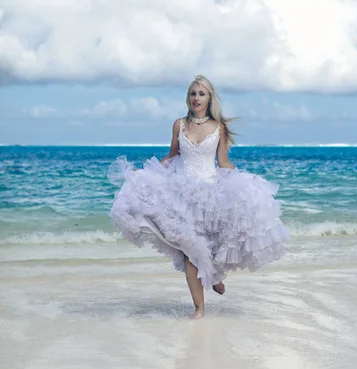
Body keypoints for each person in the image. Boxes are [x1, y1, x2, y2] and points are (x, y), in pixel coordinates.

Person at [108, 75, 288, 318]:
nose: (196, 98)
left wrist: (247, 182)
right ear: (188, 97)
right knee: (188, 251)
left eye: (201, 94)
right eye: (193, 93)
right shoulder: (179, 124)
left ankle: (214, 276)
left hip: (209, 192)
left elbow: (223, 162)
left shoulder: (218, 128)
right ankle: (199, 308)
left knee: (212, 245)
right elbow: (172, 155)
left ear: (209, 98)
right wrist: (147, 173)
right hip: (178, 191)